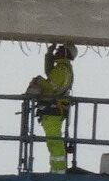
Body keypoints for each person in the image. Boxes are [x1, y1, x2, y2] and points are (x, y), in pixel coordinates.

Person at [24, 41, 77, 172]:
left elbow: (53, 86)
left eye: (59, 49)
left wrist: (38, 80)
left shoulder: (62, 69)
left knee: (54, 142)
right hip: (52, 111)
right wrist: (49, 54)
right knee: (53, 142)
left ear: (66, 53)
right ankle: (57, 170)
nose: (56, 51)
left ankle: (59, 172)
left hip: (52, 112)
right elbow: (50, 72)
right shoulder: (62, 67)